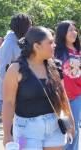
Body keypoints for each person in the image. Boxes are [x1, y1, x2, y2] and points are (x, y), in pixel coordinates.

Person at [2, 27, 75, 150]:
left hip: (55, 125)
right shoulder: (15, 69)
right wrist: (6, 134)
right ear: (37, 46)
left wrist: (71, 122)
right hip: (26, 130)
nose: (55, 45)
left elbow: (63, 96)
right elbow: (8, 103)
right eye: (50, 42)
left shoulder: (55, 67)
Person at [55, 20, 81, 150]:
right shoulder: (57, 52)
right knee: (60, 129)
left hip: (76, 96)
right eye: (70, 30)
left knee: (74, 129)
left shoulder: (78, 50)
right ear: (62, 33)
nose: (74, 32)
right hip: (60, 97)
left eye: (75, 29)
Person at [0, 13, 32, 107]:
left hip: (23, 91)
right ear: (22, 27)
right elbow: (2, 73)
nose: (31, 28)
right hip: (12, 94)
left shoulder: (22, 40)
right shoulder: (8, 45)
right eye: (29, 25)